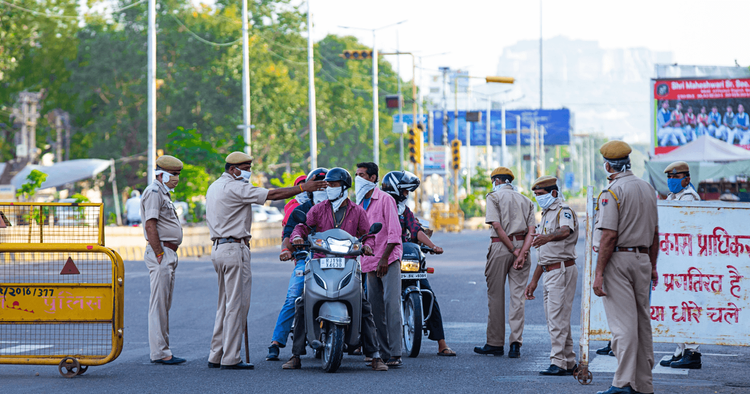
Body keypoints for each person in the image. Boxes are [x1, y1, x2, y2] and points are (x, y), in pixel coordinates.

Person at [205, 152, 326, 370]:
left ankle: (216, 354)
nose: (249, 171)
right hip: (234, 248)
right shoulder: (236, 187)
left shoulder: (215, 186)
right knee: (237, 305)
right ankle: (231, 358)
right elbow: (272, 194)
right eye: (245, 167)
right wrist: (302, 188)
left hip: (218, 247)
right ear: (233, 169)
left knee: (224, 304)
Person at [284, 167, 388, 371]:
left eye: (333, 185)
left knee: (364, 307)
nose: (329, 188)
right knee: (302, 303)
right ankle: (296, 355)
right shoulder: (318, 208)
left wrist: (368, 246)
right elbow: (303, 226)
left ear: (343, 188)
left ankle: (374, 355)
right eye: (327, 185)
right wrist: (297, 236)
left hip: (348, 262)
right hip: (320, 260)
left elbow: (368, 234)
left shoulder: (357, 211)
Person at [593, 141, 659, 394]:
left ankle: (622, 384)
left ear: (608, 165)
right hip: (642, 259)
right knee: (642, 323)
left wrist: (599, 273)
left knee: (623, 326)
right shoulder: (647, 189)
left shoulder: (613, 192)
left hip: (618, 260)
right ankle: (643, 384)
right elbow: (655, 233)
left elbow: (609, 236)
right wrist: (652, 266)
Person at [381, 170, 455, 357]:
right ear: (396, 190)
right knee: (366, 296)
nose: (407, 195)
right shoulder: (379, 206)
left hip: (406, 260)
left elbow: (416, 230)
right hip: (382, 261)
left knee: (428, 295)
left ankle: (442, 343)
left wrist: (433, 246)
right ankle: (361, 342)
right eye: (405, 192)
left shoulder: (404, 211)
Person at [266, 168, 328, 361]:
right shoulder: (300, 211)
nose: (323, 190)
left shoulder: (345, 209)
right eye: (318, 186)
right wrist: (287, 249)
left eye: (326, 186)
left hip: (336, 261)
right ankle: (276, 342)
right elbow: (289, 235)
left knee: (361, 293)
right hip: (307, 260)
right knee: (294, 295)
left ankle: (368, 347)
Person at [475, 167, 535, 358]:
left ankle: (495, 343)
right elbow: (531, 231)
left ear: (497, 181)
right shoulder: (526, 200)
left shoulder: (493, 197)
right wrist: (522, 252)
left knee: (496, 296)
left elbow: (497, 225)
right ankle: (515, 343)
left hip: (502, 246)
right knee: (518, 297)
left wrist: (512, 249)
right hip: (522, 247)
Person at [525, 176, 579, 376]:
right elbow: (544, 254)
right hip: (549, 270)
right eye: (536, 195)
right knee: (557, 319)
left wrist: (547, 237)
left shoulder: (563, 210)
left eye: (540, 194)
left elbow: (565, 231)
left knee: (557, 319)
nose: (538, 198)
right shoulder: (546, 213)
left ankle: (558, 362)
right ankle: (569, 362)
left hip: (562, 270)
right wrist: (534, 281)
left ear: (553, 193)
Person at [355, 162, 404, 368]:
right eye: (357, 175)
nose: (359, 179)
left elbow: (394, 233)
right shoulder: (358, 203)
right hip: (368, 262)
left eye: (363, 175)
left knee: (391, 306)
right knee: (374, 310)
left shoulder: (385, 200)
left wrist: (384, 258)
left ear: (373, 178)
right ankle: (381, 352)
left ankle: (395, 352)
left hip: (388, 258)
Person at [141, 155, 185, 365]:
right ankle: (160, 352)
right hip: (162, 252)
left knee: (164, 304)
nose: (176, 179)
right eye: (174, 174)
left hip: (168, 252)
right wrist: (159, 253)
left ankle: (163, 349)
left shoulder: (164, 193)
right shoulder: (154, 191)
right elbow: (151, 224)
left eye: (178, 175)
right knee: (159, 304)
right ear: (161, 174)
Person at [659, 161, 702, 369]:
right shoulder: (673, 197)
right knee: (676, 306)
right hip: (675, 259)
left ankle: (693, 352)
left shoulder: (689, 198)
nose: (672, 181)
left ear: (687, 179)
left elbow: (683, 228)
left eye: (676, 177)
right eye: (670, 177)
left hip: (687, 261)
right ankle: (680, 350)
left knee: (687, 305)